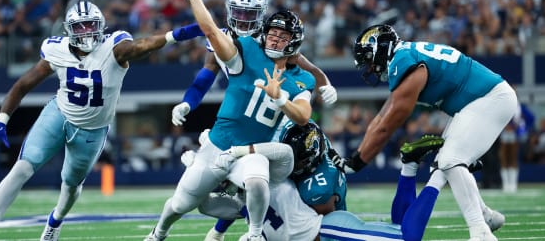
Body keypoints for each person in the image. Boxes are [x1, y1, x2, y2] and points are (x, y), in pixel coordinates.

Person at [0, 0, 203, 241]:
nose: (86, 32)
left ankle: (55, 220)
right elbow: (22, 86)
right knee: (21, 168)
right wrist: (1, 121)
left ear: (101, 26)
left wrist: (177, 35)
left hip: (92, 131)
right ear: (69, 29)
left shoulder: (113, 48)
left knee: (71, 186)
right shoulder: (57, 50)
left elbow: (142, 45)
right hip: (58, 114)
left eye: (90, 25)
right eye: (80, 27)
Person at [145, 0, 317, 241]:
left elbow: (304, 116)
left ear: (293, 42)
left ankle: (254, 234)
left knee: (258, 179)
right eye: (272, 34)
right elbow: (211, 32)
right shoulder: (246, 50)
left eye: (282, 37)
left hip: (250, 150)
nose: (274, 39)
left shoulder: (301, 79)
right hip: (218, 144)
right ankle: (158, 233)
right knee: (180, 203)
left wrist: (282, 99)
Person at [336, 24, 515, 241]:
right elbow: (380, 119)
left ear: (380, 49)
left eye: (369, 60)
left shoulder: (403, 62)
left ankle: (480, 232)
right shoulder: (404, 57)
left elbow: (387, 125)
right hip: (475, 102)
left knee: (450, 160)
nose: (370, 68)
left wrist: (357, 163)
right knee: (445, 162)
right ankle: (485, 216)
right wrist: (353, 158)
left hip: (489, 98)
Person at [196, 126, 449, 241]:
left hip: (329, 231)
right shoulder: (253, 197)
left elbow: (282, 155)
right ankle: (410, 165)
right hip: (327, 231)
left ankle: (439, 174)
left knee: (408, 238)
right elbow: (207, 204)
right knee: (399, 228)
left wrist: (233, 154)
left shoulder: (270, 177)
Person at [171, 0, 337, 128]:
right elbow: (204, 80)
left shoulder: (270, 40)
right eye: (239, 12)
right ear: (229, 11)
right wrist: (187, 103)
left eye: (249, 13)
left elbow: (307, 67)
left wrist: (326, 84)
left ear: (261, 13)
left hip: (278, 114)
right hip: (245, 115)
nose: (243, 19)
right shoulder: (221, 40)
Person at [204, 120, 347, 241]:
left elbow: (322, 230)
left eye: (299, 161)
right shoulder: (292, 132)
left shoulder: (319, 188)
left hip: (324, 219)